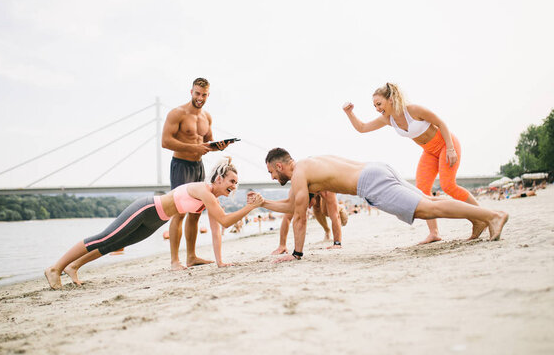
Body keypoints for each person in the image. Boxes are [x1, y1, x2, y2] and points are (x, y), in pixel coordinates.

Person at [253, 148, 508, 263]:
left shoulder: (299, 174)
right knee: (430, 201)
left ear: (279, 165)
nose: (273, 178)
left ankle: (493, 215)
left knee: (426, 209)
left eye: (272, 173)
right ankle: (478, 219)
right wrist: (263, 203)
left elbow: (299, 217)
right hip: (375, 168)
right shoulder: (309, 163)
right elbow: (291, 207)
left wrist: (296, 254)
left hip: (369, 182)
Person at [45, 158, 263, 289]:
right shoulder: (204, 191)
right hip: (146, 209)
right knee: (105, 237)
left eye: (236, 183)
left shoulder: (211, 200)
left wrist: (220, 262)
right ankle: (56, 268)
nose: (234, 186)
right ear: (218, 179)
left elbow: (217, 231)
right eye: (232, 181)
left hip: (154, 223)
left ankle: (74, 266)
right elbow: (225, 221)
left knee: (112, 245)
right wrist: (251, 207)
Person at [342, 82, 482, 244]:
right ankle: (434, 232)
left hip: (446, 144)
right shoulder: (388, 119)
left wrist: (450, 148)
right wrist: (349, 113)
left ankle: (481, 217)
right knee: (422, 191)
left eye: (379, 104)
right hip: (429, 152)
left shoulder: (413, 110)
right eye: (374, 106)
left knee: (448, 185)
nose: (377, 109)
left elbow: (441, 123)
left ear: (391, 99)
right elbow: (363, 127)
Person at [161, 77, 238, 270]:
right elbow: (165, 141)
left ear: (208, 95)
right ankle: (174, 261)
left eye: (204, 95)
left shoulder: (207, 117)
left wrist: (219, 146)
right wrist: (194, 146)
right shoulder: (177, 113)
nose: (200, 98)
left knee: (196, 213)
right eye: (197, 93)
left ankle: (191, 257)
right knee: (178, 213)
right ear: (191, 92)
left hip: (198, 165)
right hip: (181, 164)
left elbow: (208, 143)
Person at [271, 191, 344, 255]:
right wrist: (282, 245)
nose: (308, 208)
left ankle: (339, 207)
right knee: (317, 208)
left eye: (307, 204)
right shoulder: (297, 189)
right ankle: (327, 230)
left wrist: (337, 243)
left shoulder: (325, 188)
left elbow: (335, 215)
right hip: (309, 186)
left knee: (327, 211)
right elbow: (287, 217)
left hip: (323, 182)